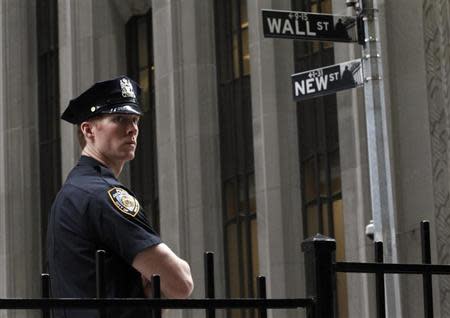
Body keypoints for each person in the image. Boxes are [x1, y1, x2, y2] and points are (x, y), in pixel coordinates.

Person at [47, 76, 193, 318]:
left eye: (135, 119)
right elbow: (180, 283)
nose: (132, 128)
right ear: (88, 129)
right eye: (119, 119)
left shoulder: (72, 192)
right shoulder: (103, 195)